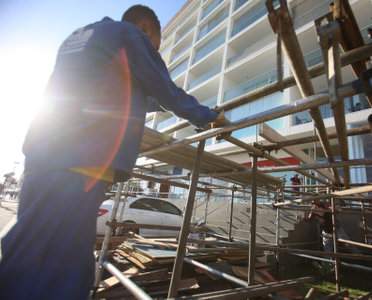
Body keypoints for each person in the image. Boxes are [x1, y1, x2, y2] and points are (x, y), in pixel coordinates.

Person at [0, 5, 229, 299]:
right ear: (146, 27)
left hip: (42, 153)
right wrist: (208, 117)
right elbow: (164, 88)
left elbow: (117, 92)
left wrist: (161, 102)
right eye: (154, 46)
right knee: (58, 260)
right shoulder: (130, 34)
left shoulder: (82, 36)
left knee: (37, 243)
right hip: (81, 156)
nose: (151, 51)